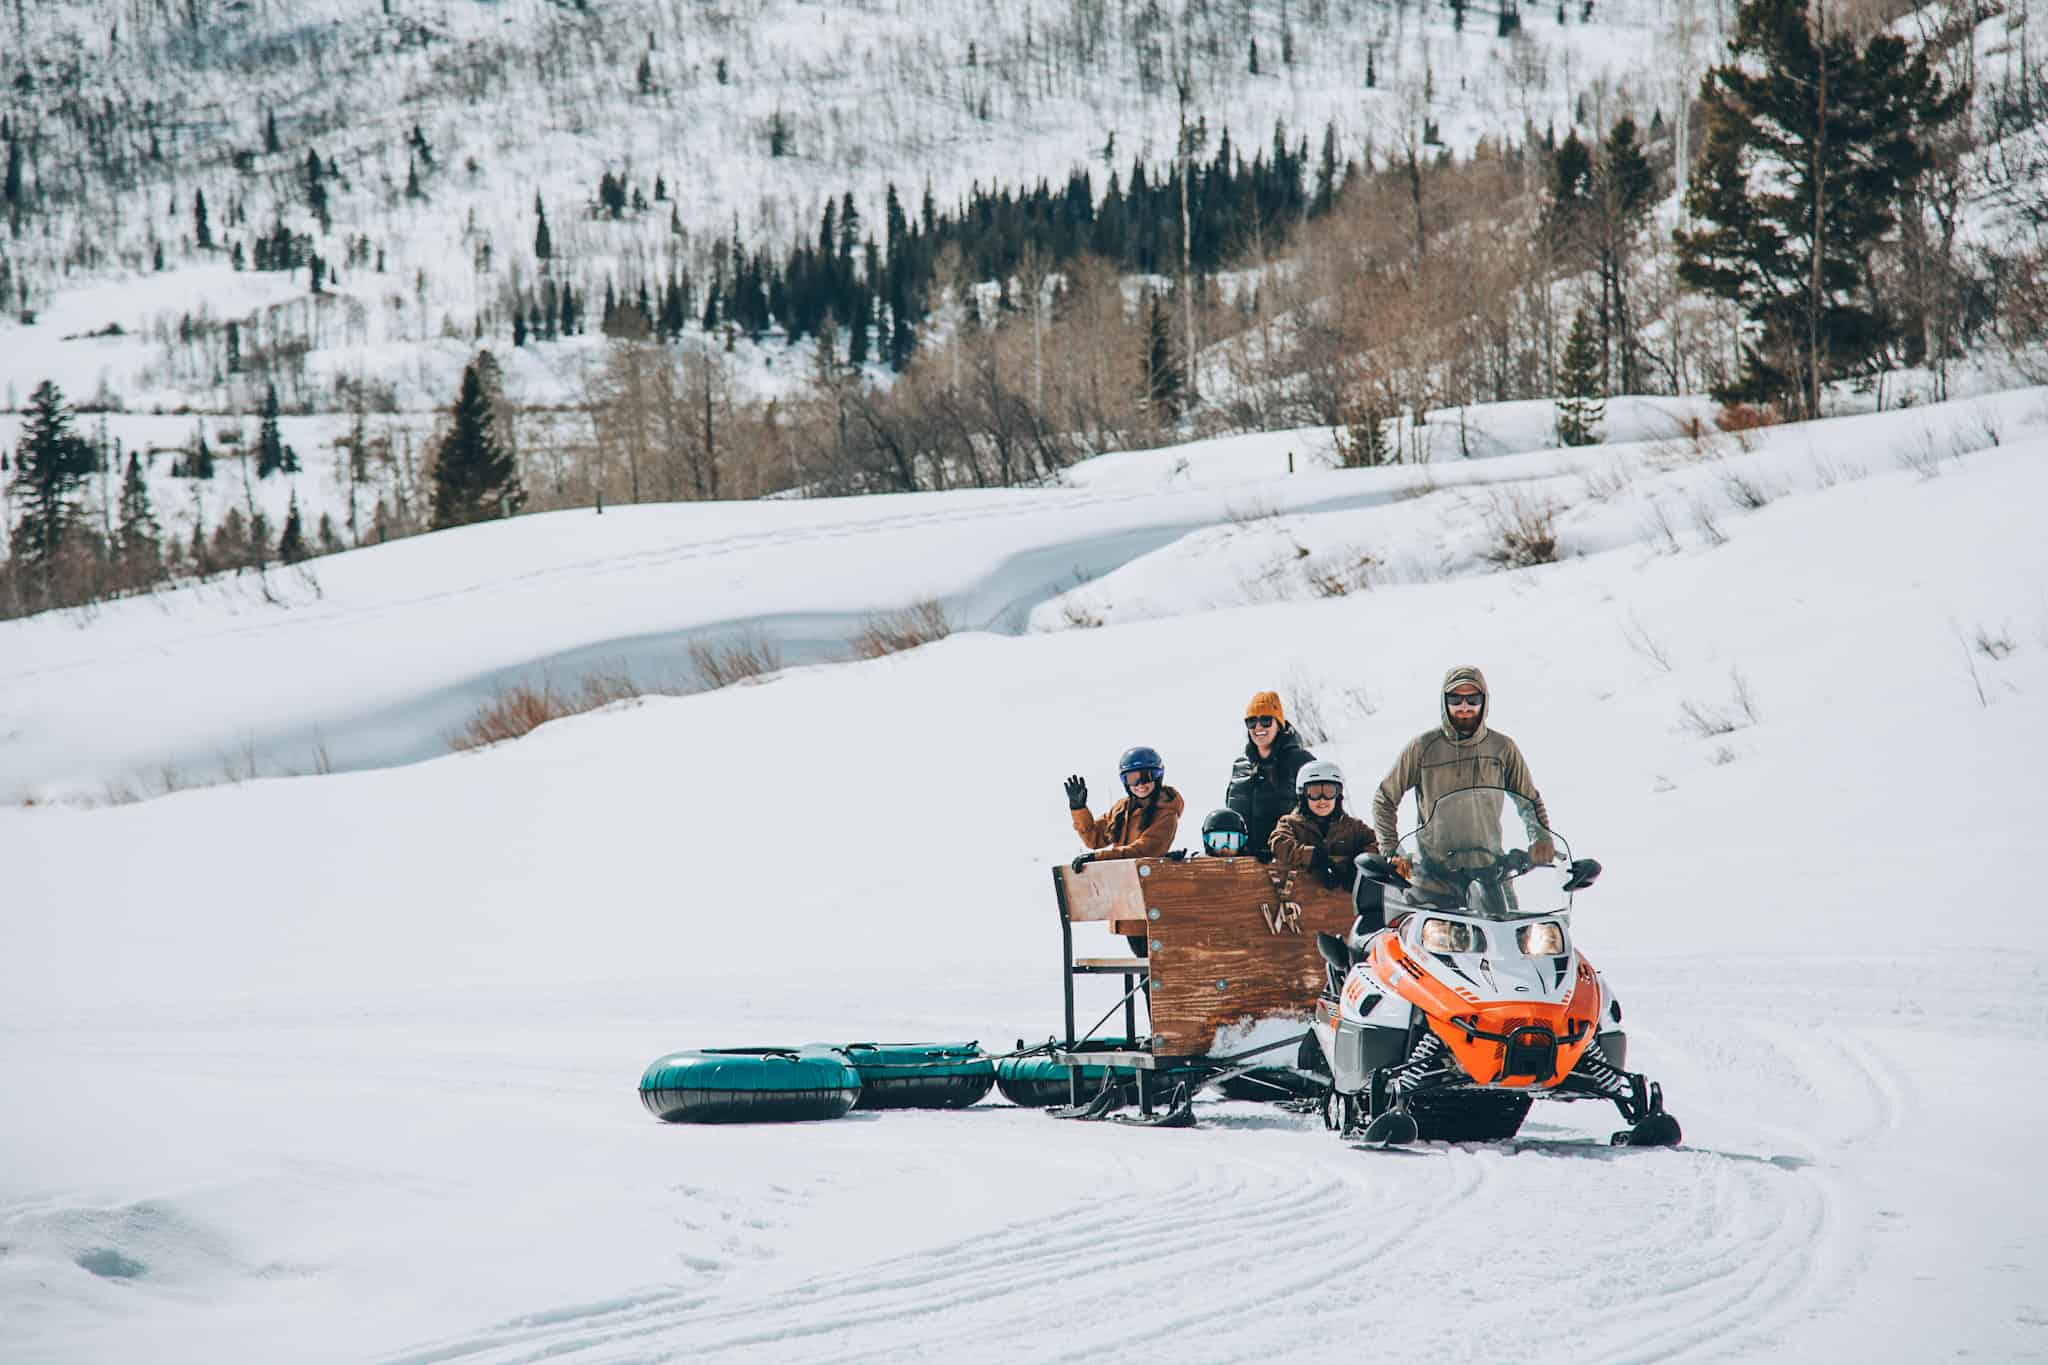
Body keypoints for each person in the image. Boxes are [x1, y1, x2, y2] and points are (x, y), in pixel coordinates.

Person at [1371, 666, 1555, 866]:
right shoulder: (1422, 747)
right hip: (1435, 872)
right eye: (1455, 700)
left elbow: (1528, 801)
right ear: (1444, 701)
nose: (1464, 707)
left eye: (1473, 699)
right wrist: (1392, 852)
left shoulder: (1502, 748)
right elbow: (1385, 799)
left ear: (1484, 701)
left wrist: (1540, 837)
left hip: (1490, 869)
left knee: (1519, 899)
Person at [1224, 691, 1316, 858]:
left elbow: (1321, 809)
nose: (1258, 727)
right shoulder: (1240, 766)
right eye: (1251, 721)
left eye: (1266, 720)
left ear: (1279, 723)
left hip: (1288, 863)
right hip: (1244, 863)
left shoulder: (1300, 761)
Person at [1066, 746, 1185, 871]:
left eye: (1146, 776)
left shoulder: (1166, 813)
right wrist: (1079, 808)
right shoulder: (1122, 808)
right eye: (1132, 779)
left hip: (1147, 880)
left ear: (1158, 777)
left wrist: (1098, 857)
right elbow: (1094, 839)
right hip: (1123, 877)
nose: (1140, 784)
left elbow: (1144, 851)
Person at [1267, 760, 1378, 889]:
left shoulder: (1352, 826)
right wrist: (1314, 857)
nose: (1322, 799)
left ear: (1338, 795)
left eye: (1329, 792)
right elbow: (1279, 843)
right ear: (1303, 795)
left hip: (1344, 903)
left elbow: (1377, 843)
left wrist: (1358, 863)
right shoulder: (1291, 823)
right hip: (1304, 898)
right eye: (1314, 793)